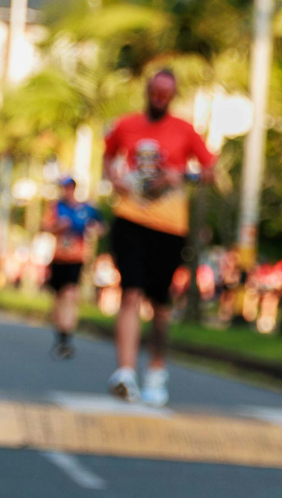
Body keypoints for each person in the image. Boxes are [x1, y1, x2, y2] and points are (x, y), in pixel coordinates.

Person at [103, 67, 217, 405]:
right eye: (155, 92)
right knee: (130, 292)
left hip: (169, 227)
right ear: (147, 91)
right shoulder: (126, 125)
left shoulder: (185, 130)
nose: (159, 99)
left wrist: (180, 175)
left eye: (166, 94)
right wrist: (115, 179)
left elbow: (210, 172)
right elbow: (108, 157)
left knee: (160, 307)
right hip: (130, 218)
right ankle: (125, 372)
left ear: (173, 96)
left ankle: (156, 369)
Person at [43, 178, 99, 359]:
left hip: (76, 258)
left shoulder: (85, 209)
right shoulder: (56, 207)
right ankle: (60, 333)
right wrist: (57, 227)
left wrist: (93, 229)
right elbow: (45, 227)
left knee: (70, 295)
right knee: (59, 298)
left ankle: (67, 336)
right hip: (59, 258)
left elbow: (100, 225)